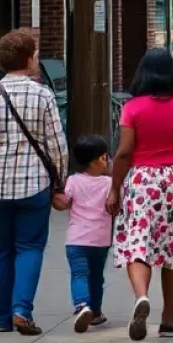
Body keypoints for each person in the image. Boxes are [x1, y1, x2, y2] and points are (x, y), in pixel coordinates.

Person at [108, 48, 173, 341]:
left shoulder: (133, 108)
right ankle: (168, 319)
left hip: (143, 181)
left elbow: (125, 152)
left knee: (138, 244)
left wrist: (114, 188)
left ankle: (142, 297)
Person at [0, 29, 68, 335]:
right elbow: (56, 145)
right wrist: (59, 183)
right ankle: (21, 308)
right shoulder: (43, 95)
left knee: (0, 249)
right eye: (35, 54)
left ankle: (0, 317)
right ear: (27, 59)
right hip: (34, 185)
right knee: (29, 247)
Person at [55, 135, 113, 333]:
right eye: (106, 157)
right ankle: (96, 312)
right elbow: (116, 207)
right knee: (96, 277)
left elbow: (63, 204)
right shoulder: (108, 183)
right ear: (97, 160)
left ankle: (81, 305)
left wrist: (54, 196)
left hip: (76, 239)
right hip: (100, 240)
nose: (108, 161)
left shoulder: (73, 180)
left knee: (79, 274)